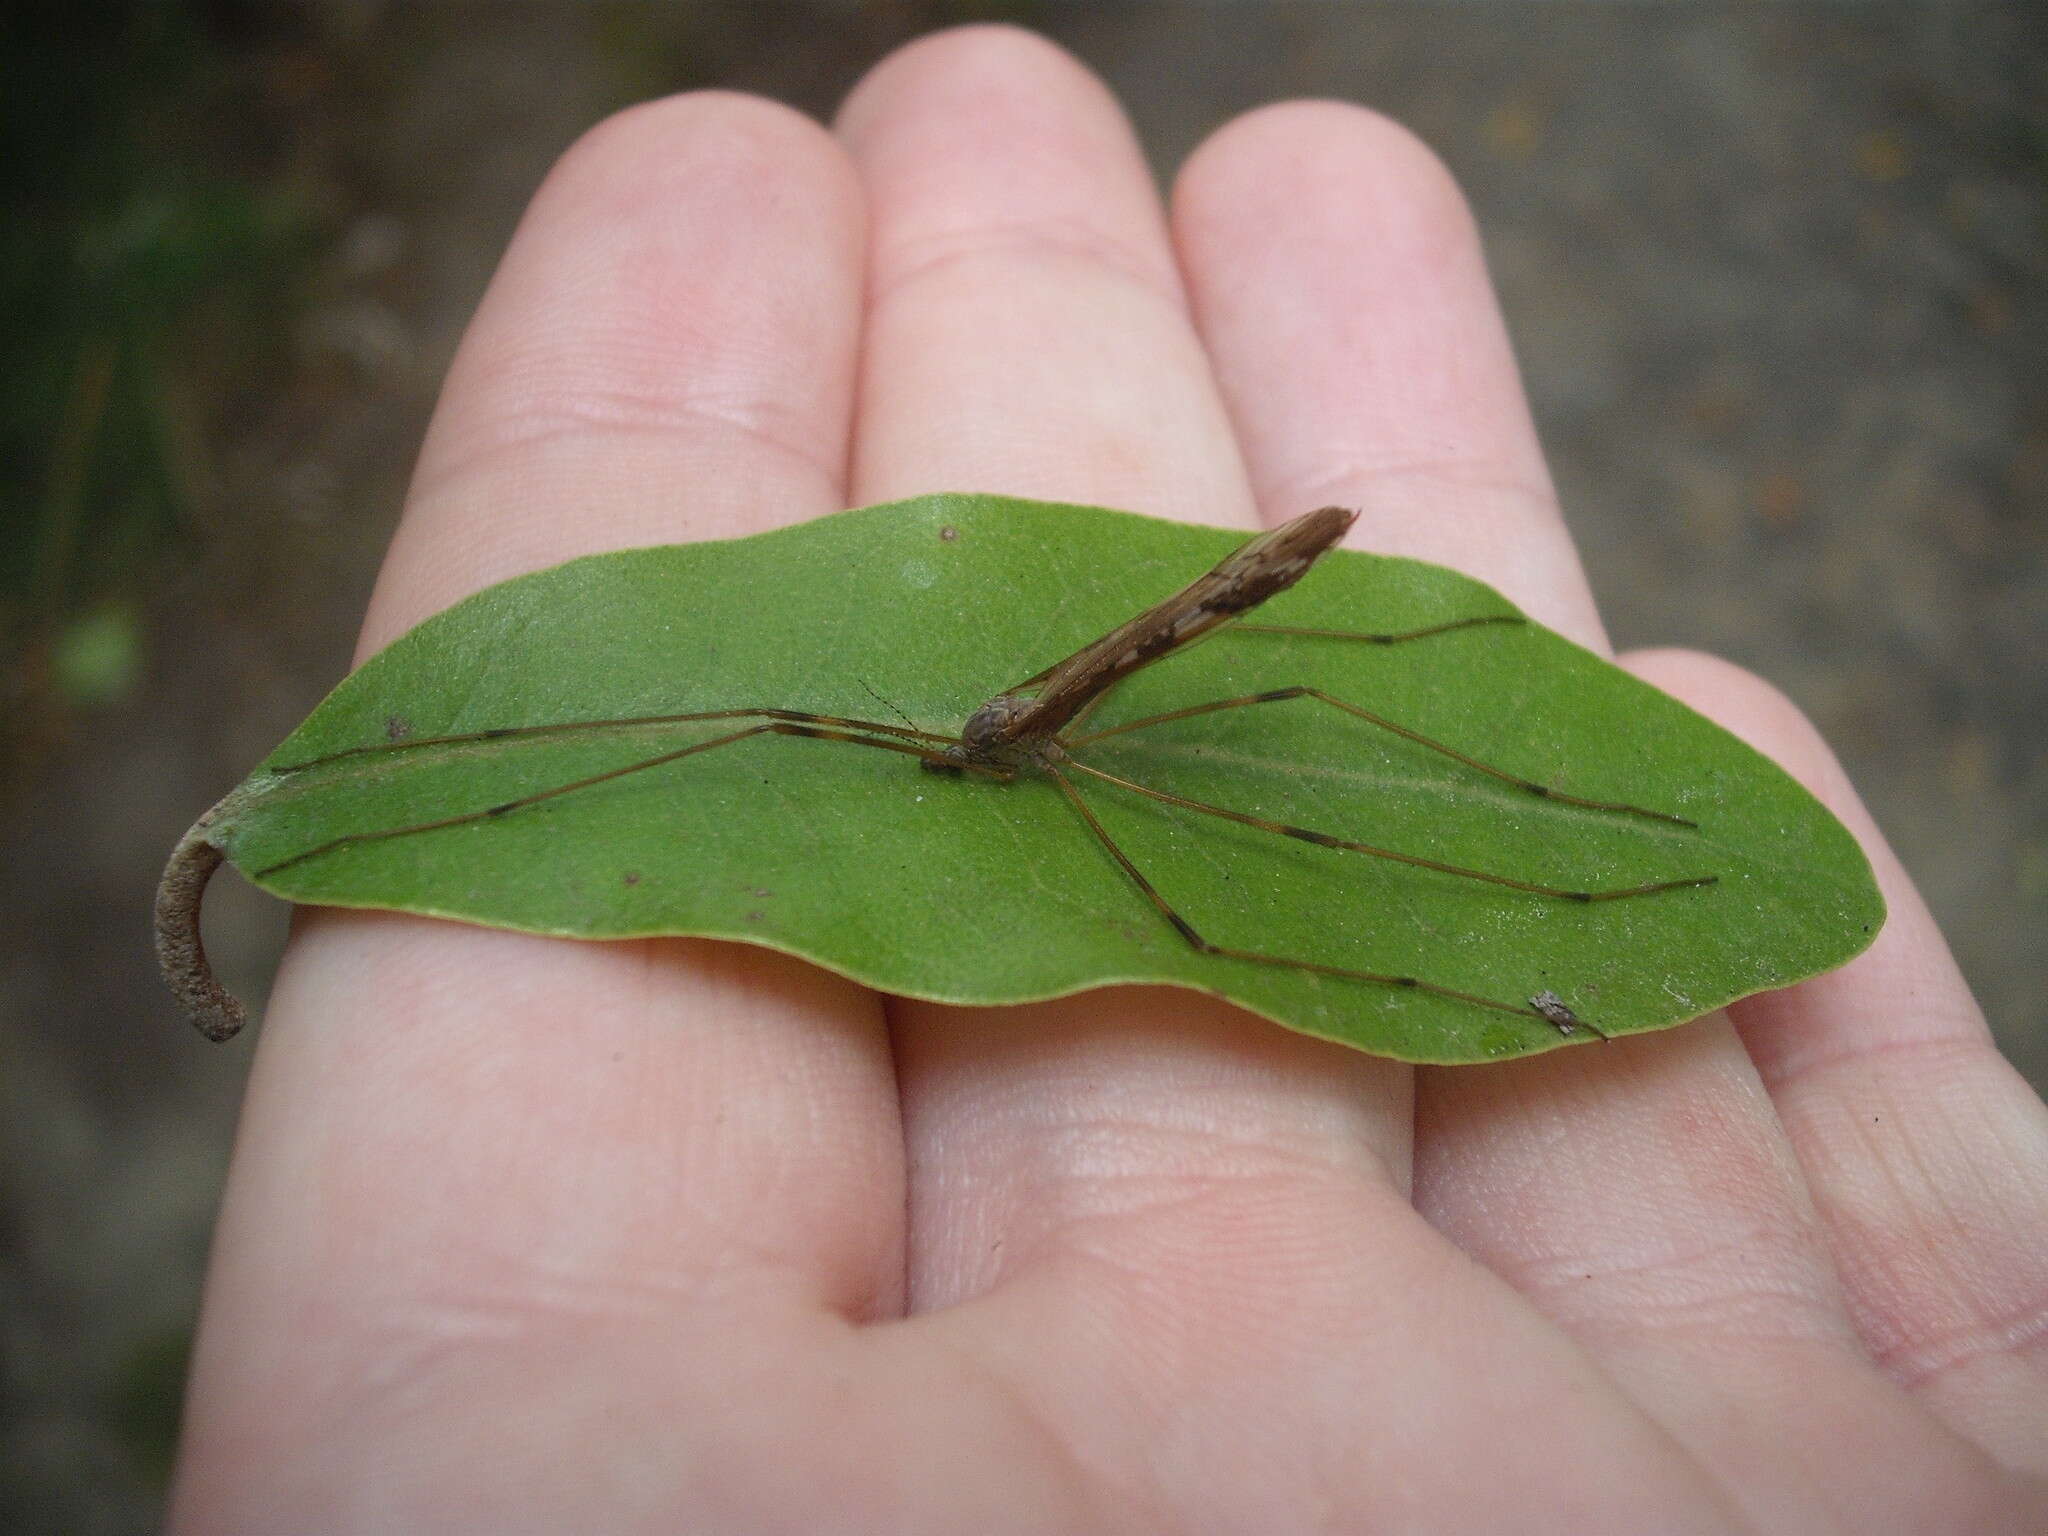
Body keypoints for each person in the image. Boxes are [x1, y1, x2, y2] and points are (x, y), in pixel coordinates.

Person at [166, 27, 2048, 1533]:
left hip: (1152, 661)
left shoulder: (1113, 732)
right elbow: (746, 713)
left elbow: (1197, 795)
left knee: (1247, 837)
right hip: (1020, 709)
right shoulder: (938, 741)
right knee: (757, 715)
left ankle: (1602, 866)